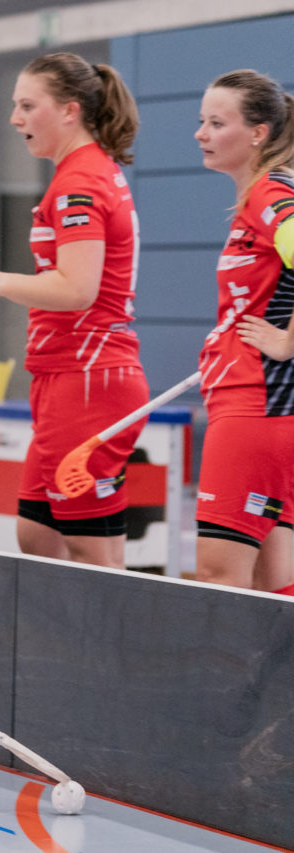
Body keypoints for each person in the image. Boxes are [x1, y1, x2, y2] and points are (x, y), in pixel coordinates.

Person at [0, 54, 149, 568]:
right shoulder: (79, 174)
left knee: (93, 551)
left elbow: (76, 289)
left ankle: (106, 648)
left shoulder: (80, 182)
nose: (14, 119)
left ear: (70, 111)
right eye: (14, 105)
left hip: (89, 379)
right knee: (37, 534)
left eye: (27, 106)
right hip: (67, 376)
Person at [190, 69, 294, 593]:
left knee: (218, 580)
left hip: (256, 410)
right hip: (265, 413)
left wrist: (286, 339)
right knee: (272, 583)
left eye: (216, 122)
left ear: (258, 133)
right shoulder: (263, 194)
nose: (200, 133)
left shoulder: (269, 194)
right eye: (201, 121)